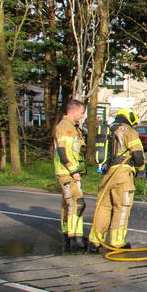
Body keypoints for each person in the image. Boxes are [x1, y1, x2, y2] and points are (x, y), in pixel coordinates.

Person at [88, 108, 147, 252]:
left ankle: (95, 241)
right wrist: (141, 170)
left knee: (103, 207)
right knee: (121, 208)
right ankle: (116, 242)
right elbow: (138, 155)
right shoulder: (129, 131)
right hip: (122, 174)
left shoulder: (108, 129)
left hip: (106, 174)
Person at [52, 99, 87, 252]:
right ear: (73, 111)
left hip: (68, 173)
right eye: (81, 112)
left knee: (68, 205)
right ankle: (75, 239)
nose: (82, 116)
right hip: (68, 174)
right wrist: (73, 171)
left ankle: (70, 235)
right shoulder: (65, 127)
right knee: (77, 204)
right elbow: (63, 151)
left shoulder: (72, 127)